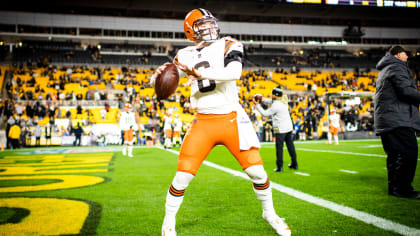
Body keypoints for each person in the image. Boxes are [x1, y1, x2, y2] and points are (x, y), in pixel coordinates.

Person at [151, 8, 291, 236]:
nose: (209, 28)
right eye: (202, 25)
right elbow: (167, 79)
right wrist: (156, 78)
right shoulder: (184, 53)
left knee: (257, 173)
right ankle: (168, 222)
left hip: (231, 118)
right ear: (191, 31)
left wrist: (198, 73)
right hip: (203, 121)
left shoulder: (229, 43)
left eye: (210, 23)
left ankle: (270, 213)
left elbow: (235, 72)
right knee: (183, 175)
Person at [374, 45, 420, 199]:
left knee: (394, 155)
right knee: (409, 152)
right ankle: (403, 188)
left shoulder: (385, 69)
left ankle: (395, 188)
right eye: (406, 54)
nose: (408, 57)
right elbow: (406, 91)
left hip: (388, 119)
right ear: (399, 54)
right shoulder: (397, 68)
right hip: (397, 118)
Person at [254, 87, 298, 172]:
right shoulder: (284, 99)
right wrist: (263, 100)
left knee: (279, 148)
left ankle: (279, 167)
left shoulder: (275, 106)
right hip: (289, 127)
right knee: (290, 146)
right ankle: (294, 164)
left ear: (275, 95)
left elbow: (265, 113)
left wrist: (257, 105)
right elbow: (272, 100)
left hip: (280, 129)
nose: (271, 95)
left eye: (272, 93)